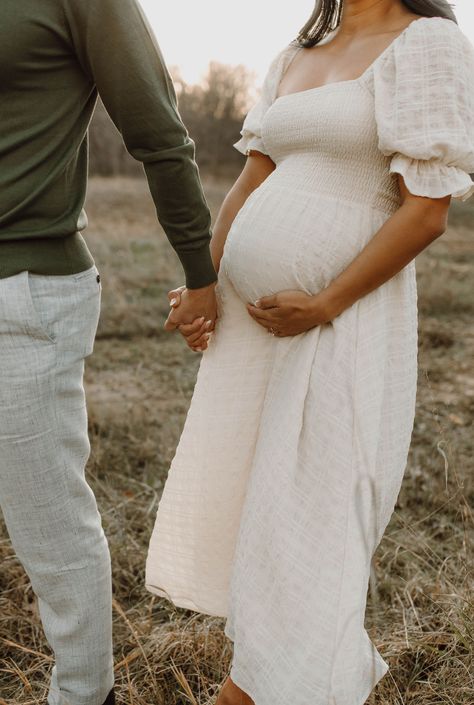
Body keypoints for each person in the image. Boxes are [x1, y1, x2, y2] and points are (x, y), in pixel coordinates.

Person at [146, 0, 474, 703]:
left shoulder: (427, 44)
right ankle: (261, 677)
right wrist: (205, 282)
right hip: (253, 332)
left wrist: (326, 300)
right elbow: (250, 181)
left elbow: (425, 209)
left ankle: (279, 686)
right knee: (258, 513)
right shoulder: (298, 53)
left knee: (317, 517)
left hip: (342, 319)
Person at [0, 1, 217, 704]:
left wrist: (200, 270)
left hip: (21, 293)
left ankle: (84, 693)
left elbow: (159, 132)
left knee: (49, 526)